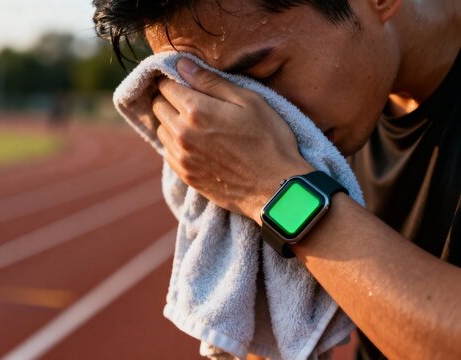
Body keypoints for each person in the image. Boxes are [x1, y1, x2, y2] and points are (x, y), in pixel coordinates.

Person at [92, 0, 460, 359]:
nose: (251, 119)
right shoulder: (352, 99)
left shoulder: (330, 118)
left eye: (266, 74)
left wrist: (272, 190)